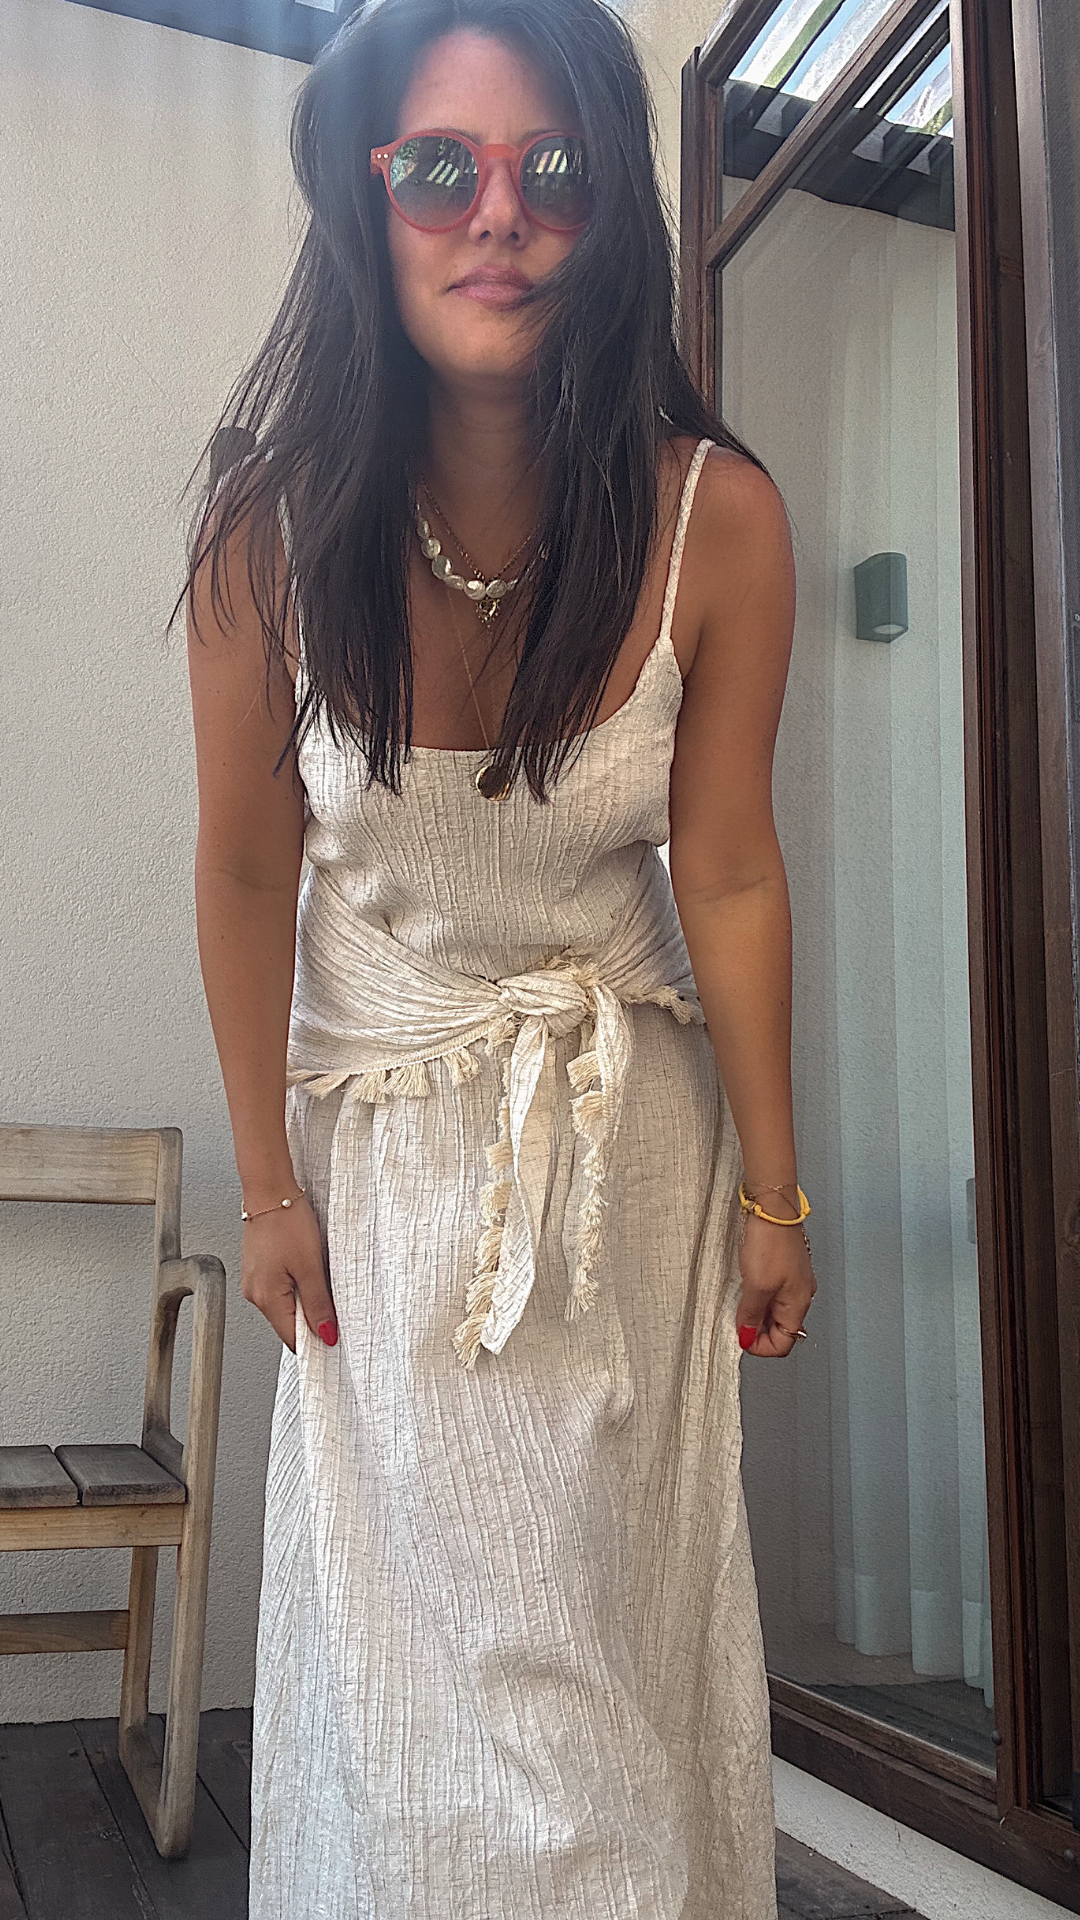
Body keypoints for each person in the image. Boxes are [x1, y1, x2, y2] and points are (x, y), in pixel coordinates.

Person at [181, 0, 815, 1913]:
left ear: (611, 210)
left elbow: (729, 873)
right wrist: (266, 1187)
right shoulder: (266, 536)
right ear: (367, 200)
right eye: (440, 169)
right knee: (412, 1716)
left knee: (602, 1683)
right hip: (376, 1186)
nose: (499, 214)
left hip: (624, 1176)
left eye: (554, 170)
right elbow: (242, 872)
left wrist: (776, 1194)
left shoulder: (720, 522)